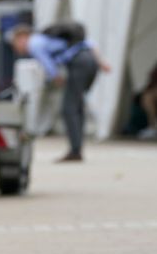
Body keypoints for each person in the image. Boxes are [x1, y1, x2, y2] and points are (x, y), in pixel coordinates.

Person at [10, 23, 109, 163]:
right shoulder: (49, 38)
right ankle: (77, 148)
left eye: (15, 43)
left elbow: (47, 63)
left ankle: (75, 151)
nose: (16, 48)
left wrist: (55, 77)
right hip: (90, 62)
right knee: (77, 105)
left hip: (78, 64)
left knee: (69, 108)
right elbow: (89, 43)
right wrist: (101, 62)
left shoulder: (34, 43)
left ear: (22, 37)